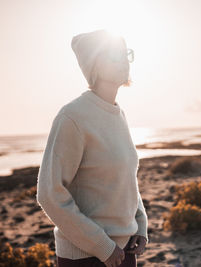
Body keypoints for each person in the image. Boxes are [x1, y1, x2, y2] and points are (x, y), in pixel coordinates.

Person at [36, 29, 149, 267]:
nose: (123, 62)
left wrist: (140, 223)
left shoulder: (119, 113)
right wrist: (103, 246)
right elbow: (49, 193)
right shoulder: (72, 117)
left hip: (125, 250)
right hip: (87, 257)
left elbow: (126, 179)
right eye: (113, 55)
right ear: (94, 63)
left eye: (125, 54)